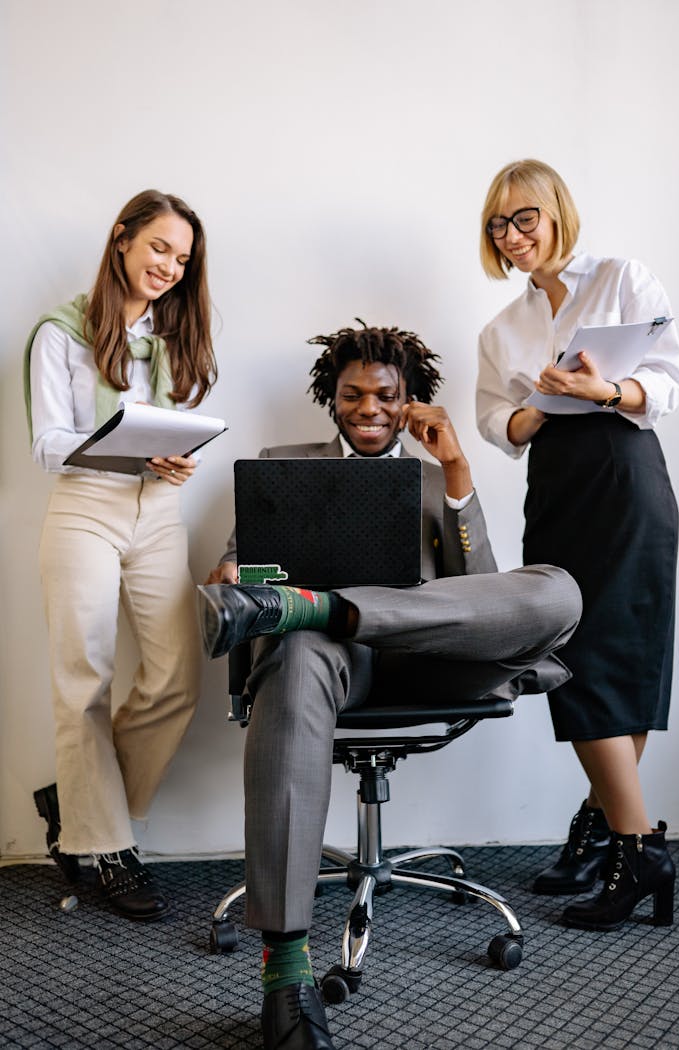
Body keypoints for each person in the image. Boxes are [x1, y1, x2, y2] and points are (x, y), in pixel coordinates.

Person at [200, 321, 582, 1050]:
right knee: (299, 646)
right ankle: (285, 971)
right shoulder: (285, 466)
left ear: (409, 399)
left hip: (431, 656)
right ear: (331, 398)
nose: (368, 407)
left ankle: (326, 605)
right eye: (351, 394)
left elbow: (484, 596)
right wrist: (233, 574)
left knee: (557, 591)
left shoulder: (439, 478)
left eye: (384, 394)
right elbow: (235, 570)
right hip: (329, 667)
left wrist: (460, 473)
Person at [476, 159, 679, 932]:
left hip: (626, 474)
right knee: (570, 657)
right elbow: (496, 422)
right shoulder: (500, 330)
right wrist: (532, 409)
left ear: (557, 211)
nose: (512, 235)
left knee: (620, 656)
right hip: (559, 485)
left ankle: (625, 842)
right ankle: (612, 833)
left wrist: (603, 391)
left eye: (524, 217)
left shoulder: (623, 278)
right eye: (498, 224)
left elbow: (667, 382)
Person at [25, 189, 217, 920]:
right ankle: (107, 845)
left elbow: (177, 426)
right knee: (86, 678)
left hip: (158, 512)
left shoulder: (175, 338)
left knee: (176, 677)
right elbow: (47, 444)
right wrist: (129, 448)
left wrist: (175, 457)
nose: (169, 265)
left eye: (182, 257)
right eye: (159, 248)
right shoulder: (62, 332)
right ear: (122, 240)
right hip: (84, 508)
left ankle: (76, 808)